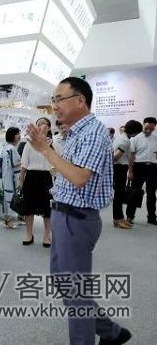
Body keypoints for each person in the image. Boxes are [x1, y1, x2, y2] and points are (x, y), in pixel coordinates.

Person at [26, 76, 131, 345]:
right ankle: (111, 331)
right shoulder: (73, 133)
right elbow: (65, 172)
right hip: (63, 214)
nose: (54, 106)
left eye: (59, 99)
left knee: (76, 293)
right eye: (53, 100)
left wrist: (46, 150)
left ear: (80, 101)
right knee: (64, 283)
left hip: (77, 219)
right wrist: (49, 155)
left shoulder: (93, 133)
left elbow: (80, 177)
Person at [19, 118, 55, 246]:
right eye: (38, 124)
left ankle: (46, 236)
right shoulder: (29, 143)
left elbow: (59, 162)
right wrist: (21, 180)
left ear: (49, 127)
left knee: (47, 209)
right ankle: (29, 234)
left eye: (43, 124)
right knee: (28, 208)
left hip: (47, 177)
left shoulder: (54, 144)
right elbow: (24, 163)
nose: (40, 126)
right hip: (31, 177)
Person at [112, 120, 143, 229]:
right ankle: (118, 219)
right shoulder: (125, 141)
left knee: (119, 194)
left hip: (119, 168)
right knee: (118, 194)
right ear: (134, 132)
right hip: (119, 168)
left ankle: (119, 218)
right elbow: (116, 157)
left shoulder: (121, 138)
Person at [126, 116, 157, 225]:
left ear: (154, 127)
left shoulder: (156, 138)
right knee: (135, 192)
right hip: (139, 167)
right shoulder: (135, 139)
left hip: (153, 168)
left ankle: (152, 217)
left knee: (152, 194)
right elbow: (131, 157)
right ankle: (130, 216)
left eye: (151, 129)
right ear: (143, 125)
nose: (149, 131)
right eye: (147, 128)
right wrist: (130, 171)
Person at [0, 127, 21, 229]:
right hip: (12, 178)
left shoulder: (7, 147)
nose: (19, 136)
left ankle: (8, 220)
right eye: (17, 134)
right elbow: (13, 163)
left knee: (8, 197)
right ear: (12, 135)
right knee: (11, 198)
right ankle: (10, 221)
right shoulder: (11, 148)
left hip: (8, 177)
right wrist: (24, 161)